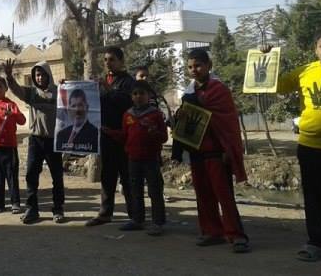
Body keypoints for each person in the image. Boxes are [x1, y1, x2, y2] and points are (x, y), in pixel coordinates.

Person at [180, 48, 249, 253]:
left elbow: (227, 123)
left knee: (224, 195)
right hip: (197, 150)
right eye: (190, 67)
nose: (194, 70)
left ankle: (236, 235)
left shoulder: (219, 90)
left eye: (198, 66)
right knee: (203, 194)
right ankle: (212, 231)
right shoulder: (189, 92)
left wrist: (228, 149)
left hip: (216, 152)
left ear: (208, 66)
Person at [277, 28, 321, 261]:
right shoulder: (305, 72)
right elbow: (276, 85)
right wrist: (268, 59)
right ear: (315, 49)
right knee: (315, 198)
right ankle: (316, 244)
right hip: (311, 147)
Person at [4, 59, 65, 224]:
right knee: (31, 175)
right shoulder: (31, 93)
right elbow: (16, 89)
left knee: (57, 176)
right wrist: (9, 77)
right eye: (37, 75)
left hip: (53, 141)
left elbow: (75, 98)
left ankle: (58, 209)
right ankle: (32, 209)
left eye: (43, 74)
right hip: (36, 140)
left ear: (49, 75)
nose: (40, 78)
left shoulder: (59, 92)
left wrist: (66, 86)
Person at [105, 80, 167, 235]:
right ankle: (137, 220)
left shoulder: (155, 114)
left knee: (155, 191)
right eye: (135, 94)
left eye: (142, 93)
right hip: (133, 159)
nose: (138, 96)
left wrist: (154, 131)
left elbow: (164, 137)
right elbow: (124, 136)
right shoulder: (128, 115)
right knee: (135, 190)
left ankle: (158, 222)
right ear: (131, 96)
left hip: (151, 159)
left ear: (149, 95)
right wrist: (110, 132)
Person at [86, 47, 135, 227]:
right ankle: (105, 213)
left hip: (124, 136)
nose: (108, 63)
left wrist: (108, 89)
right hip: (106, 135)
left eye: (112, 59)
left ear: (121, 61)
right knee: (107, 176)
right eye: (105, 60)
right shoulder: (103, 80)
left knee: (127, 177)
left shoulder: (128, 82)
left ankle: (135, 215)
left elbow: (127, 103)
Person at [0, 76, 26, 215]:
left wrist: (12, 114)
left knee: (11, 175)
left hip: (9, 146)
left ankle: (15, 203)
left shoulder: (11, 105)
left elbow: (22, 120)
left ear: (6, 88)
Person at [55, 88, 99, 153]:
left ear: (87, 108)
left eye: (80, 105)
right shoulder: (61, 135)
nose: (77, 110)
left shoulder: (95, 133)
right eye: (73, 106)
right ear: (69, 110)